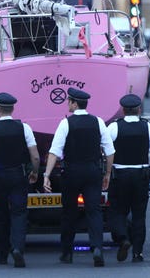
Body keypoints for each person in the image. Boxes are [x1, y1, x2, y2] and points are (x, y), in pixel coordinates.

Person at [43, 87, 115, 267]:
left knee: (69, 212)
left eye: (69, 101)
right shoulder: (98, 122)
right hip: (92, 171)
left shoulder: (66, 123)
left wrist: (46, 175)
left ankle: (67, 252)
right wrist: (107, 172)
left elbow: (55, 152)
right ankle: (97, 247)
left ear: (74, 104)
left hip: (72, 173)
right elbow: (110, 151)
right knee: (94, 210)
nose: (67, 103)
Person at [0, 92, 40, 267]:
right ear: (13, 108)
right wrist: (35, 172)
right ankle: (18, 248)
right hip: (19, 176)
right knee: (19, 213)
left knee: (0, 215)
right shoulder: (24, 128)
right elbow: (35, 156)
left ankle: (1, 255)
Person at [107, 94, 150, 263]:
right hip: (141, 174)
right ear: (139, 109)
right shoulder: (147, 127)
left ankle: (123, 239)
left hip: (120, 175)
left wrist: (107, 173)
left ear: (123, 110)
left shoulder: (115, 127)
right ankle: (138, 253)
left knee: (117, 211)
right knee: (139, 215)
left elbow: (107, 151)